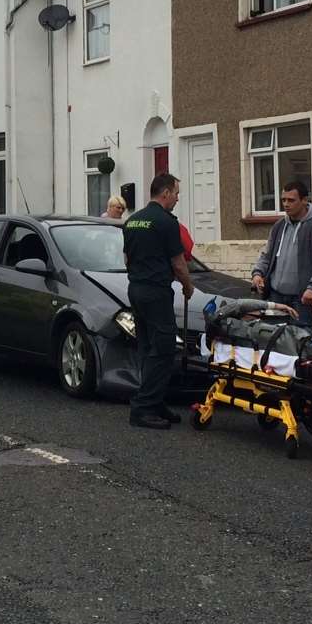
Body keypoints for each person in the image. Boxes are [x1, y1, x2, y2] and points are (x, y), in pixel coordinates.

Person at [122, 172, 193, 430]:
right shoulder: (166, 222)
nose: (176, 198)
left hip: (136, 289)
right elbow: (178, 262)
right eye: (175, 193)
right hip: (156, 291)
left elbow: (126, 259)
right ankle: (143, 408)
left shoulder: (132, 221)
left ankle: (155, 401)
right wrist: (188, 286)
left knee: (147, 347)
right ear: (165, 193)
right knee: (163, 349)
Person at [251, 180, 312, 330]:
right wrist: (258, 273)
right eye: (283, 200)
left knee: (301, 345)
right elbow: (267, 255)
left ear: (304, 200)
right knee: (273, 343)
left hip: (303, 300)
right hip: (276, 297)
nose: (286, 204)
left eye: (291, 200)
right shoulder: (279, 226)